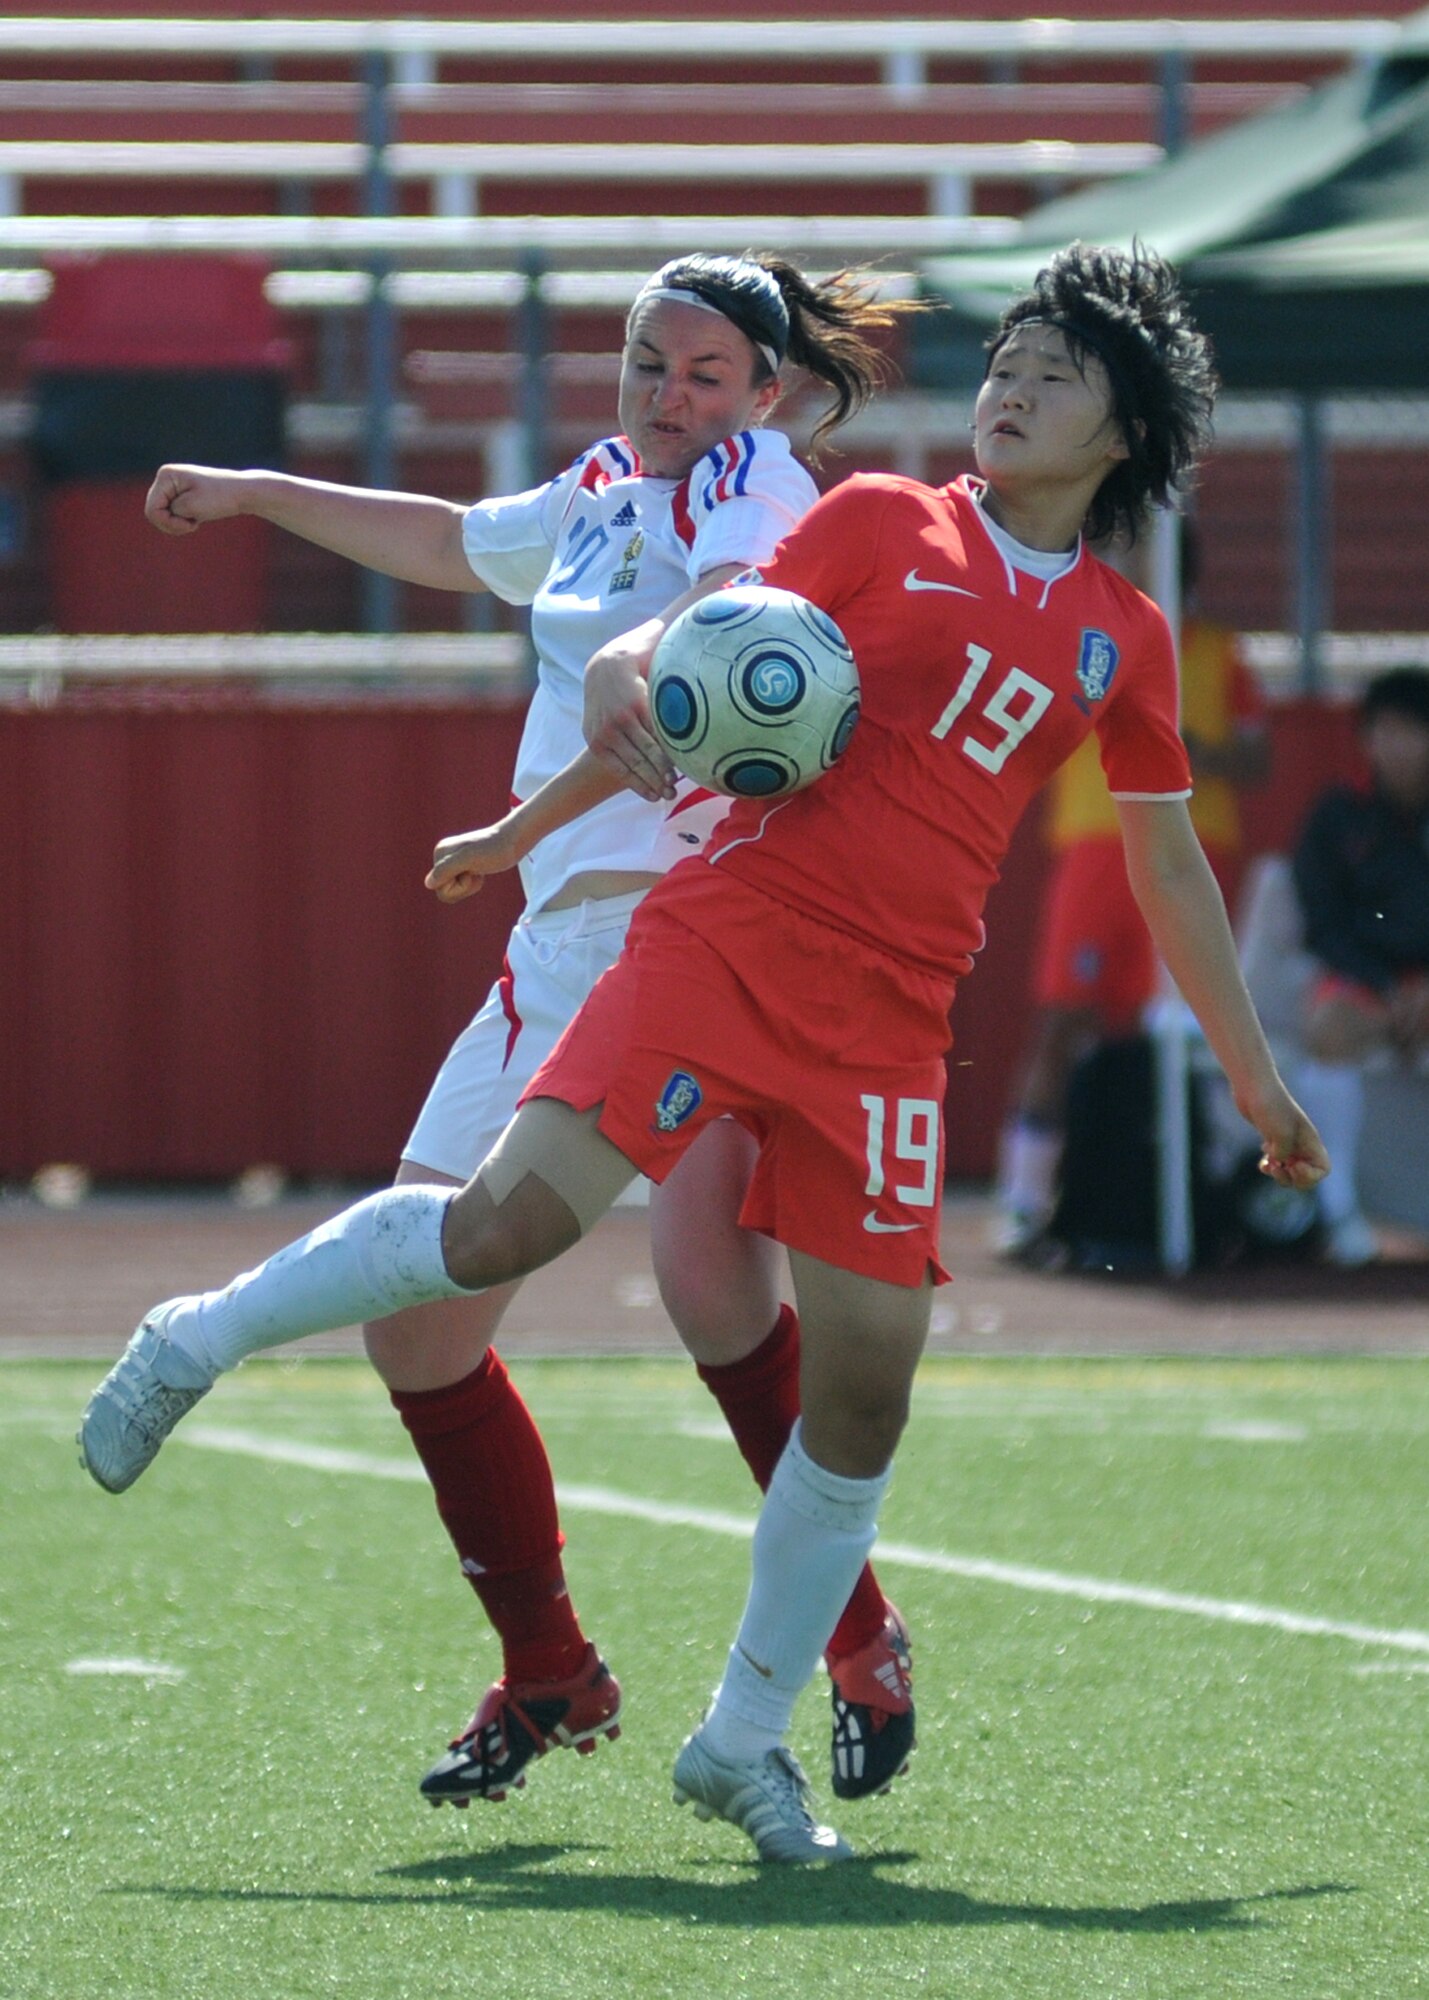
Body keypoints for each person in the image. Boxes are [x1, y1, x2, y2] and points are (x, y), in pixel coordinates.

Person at [80, 242, 1328, 1864]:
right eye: (1003, 362)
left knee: (861, 1396)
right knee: (499, 1230)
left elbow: (1167, 864)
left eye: (1051, 374)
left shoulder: (1123, 637)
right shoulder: (876, 522)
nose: (1009, 389)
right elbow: (699, 652)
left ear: (1126, 431)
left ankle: (740, 1742)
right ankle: (198, 1335)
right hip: (725, 938)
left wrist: (1253, 1077)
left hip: (892, 1018)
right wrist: (595, 711)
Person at [125, 254, 922, 1811]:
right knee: (417, 1323)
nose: (670, 395)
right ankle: (552, 1669)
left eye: (705, 372)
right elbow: (452, 542)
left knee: (713, 1292)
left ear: (766, 392)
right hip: (557, 950)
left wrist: (526, 803)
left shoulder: (757, 484)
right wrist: (252, 491)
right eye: (647, 363)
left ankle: (858, 1637)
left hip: (700, 933)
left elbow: (700, 644)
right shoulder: (605, 483)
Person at [994, 526, 1270, 1254]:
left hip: (1192, 849)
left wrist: (1199, 753)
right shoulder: (1078, 634)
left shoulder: (1217, 653)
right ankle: (1024, 1201)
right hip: (1096, 848)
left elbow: (1256, 757)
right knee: (1065, 1020)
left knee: (1196, 1025)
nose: (1125, 561)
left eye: (1142, 549)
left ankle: (1218, 1192)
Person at [1289, 665, 1429, 1263]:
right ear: (1367, 739)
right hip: (1366, 988)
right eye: (1386, 731)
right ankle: (1336, 1211)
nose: (1399, 747)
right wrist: (1387, 988)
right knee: (1330, 1028)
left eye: (1413, 731)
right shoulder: (1337, 813)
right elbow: (1323, 923)